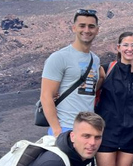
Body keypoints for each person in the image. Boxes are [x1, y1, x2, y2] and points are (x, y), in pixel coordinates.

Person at [40, 9, 103, 137]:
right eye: (82, 26)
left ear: (97, 30)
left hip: (87, 129)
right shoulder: (59, 57)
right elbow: (46, 96)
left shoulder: (95, 60)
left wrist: (102, 77)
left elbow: (91, 88)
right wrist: (57, 130)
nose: (86, 30)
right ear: (74, 28)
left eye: (91, 26)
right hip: (65, 127)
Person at [95, 32, 133, 166]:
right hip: (107, 132)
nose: (129, 49)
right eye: (125, 45)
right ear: (118, 47)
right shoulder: (106, 70)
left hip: (131, 134)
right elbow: (88, 92)